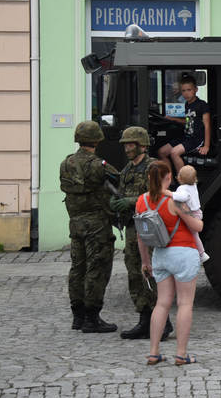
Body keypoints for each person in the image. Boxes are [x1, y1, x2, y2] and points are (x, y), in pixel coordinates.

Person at [137, 160, 204, 365]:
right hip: (184, 253)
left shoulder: (142, 201)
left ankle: (154, 351)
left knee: (162, 303)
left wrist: (145, 262)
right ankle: (181, 354)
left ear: (149, 178)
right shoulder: (175, 201)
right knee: (184, 304)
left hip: (160, 255)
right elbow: (197, 226)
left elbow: (141, 236)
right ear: (168, 178)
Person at [108, 126, 172, 340]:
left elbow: (158, 195)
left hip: (151, 227)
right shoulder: (126, 170)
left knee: (152, 271)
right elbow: (124, 193)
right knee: (135, 273)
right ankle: (145, 319)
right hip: (133, 226)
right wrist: (116, 202)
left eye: (131, 144)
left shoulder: (153, 167)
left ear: (142, 145)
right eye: (125, 144)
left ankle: (162, 322)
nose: (127, 148)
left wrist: (130, 201)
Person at [59, 120, 119, 333]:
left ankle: (78, 317)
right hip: (96, 224)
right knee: (97, 268)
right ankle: (92, 318)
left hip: (75, 223)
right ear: (96, 140)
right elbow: (117, 179)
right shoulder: (97, 165)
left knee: (78, 268)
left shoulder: (66, 163)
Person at [158, 73, 211, 173]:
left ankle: (184, 183)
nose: (186, 93)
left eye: (189, 90)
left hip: (196, 139)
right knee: (162, 152)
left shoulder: (202, 105)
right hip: (186, 137)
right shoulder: (187, 104)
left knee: (174, 153)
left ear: (196, 90)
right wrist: (174, 119)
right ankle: (170, 182)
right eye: (183, 91)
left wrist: (206, 146)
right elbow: (188, 120)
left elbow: (207, 125)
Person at [171, 164, 209, 263]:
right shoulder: (193, 185)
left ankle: (201, 253)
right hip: (198, 212)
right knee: (194, 234)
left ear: (180, 178)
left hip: (193, 214)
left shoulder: (182, 188)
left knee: (194, 234)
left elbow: (183, 197)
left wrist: (170, 194)